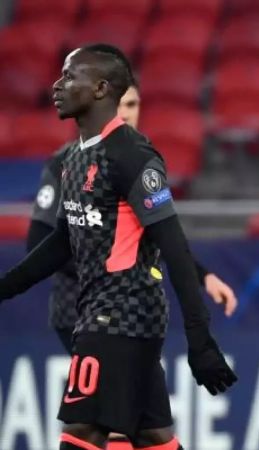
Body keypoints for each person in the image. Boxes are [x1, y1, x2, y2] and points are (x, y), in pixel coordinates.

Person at [0, 44, 236, 450]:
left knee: (80, 433)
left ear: (99, 89)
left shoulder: (132, 156)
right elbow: (61, 241)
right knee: (154, 437)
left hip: (120, 315)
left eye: (70, 77)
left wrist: (201, 339)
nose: (57, 86)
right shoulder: (73, 159)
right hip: (103, 315)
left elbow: (174, 248)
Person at [29, 81, 238, 355]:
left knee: (124, 392)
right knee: (116, 390)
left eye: (132, 104)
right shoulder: (65, 163)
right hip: (80, 308)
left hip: (131, 309)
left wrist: (204, 277)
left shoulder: (140, 163)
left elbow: (159, 235)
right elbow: (37, 239)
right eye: (117, 106)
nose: (125, 113)